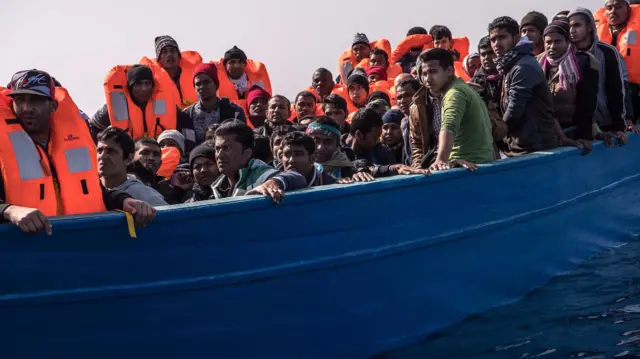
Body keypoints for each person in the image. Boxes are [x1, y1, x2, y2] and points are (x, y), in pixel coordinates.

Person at [0, 70, 155, 233]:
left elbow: (94, 190)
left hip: (81, 242)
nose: (26, 108)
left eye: (36, 100)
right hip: (29, 250)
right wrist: (10, 210)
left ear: (53, 105)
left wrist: (122, 200)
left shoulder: (75, 143)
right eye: (19, 100)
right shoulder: (3, 152)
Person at [489, 16, 559, 155]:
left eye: (502, 37)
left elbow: (514, 109)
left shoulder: (523, 66)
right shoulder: (509, 64)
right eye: (493, 40)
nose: (496, 44)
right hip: (521, 145)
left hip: (536, 147)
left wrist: (493, 136)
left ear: (515, 38)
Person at [417, 49, 495, 171]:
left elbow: (449, 126)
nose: (428, 79)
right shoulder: (463, 88)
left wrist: (441, 160)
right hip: (476, 164)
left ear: (449, 71)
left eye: (433, 72)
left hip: (467, 168)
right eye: (424, 74)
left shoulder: (455, 93)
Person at [569, 7, 631, 139]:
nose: (572, 30)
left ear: (590, 27)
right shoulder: (565, 54)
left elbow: (616, 90)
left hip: (605, 123)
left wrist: (619, 127)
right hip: (576, 126)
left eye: (577, 25)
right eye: (569, 26)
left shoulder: (607, 52)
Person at [539, 18, 599, 150]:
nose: (552, 46)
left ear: (567, 41)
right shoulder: (538, 63)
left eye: (557, 41)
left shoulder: (584, 62)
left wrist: (584, 136)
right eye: (548, 42)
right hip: (550, 132)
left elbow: (587, 103)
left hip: (576, 130)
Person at [211, 120, 306, 202]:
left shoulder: (260, 175)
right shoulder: (218, 184)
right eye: (217, 149)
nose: (219, 155)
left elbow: (297, 177)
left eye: (226, 148)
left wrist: (273, 182)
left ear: (247, 153)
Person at [91, 64, 180, 142]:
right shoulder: (114, 108)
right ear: (130, 87)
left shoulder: (168, 106)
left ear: (153, 86)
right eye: (138, 84)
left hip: (158, 155)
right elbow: (93, 126)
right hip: (127, 156)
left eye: (147, 83)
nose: (144, 88)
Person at [179, 62, 246, 151]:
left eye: (206, 82)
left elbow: (243, 142)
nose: (202, 87)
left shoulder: (235, 112)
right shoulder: (186, 115)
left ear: (216, 85)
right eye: (198, 84)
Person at [347, 108, 430, 177]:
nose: (378, 141)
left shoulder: (383, 153)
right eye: (375, 137)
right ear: (359, 135)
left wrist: (394, 168)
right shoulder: (337, 151)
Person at [97, 127, 169, 207]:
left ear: (128, 159)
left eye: (111, 151)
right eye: (99, 151)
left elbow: (170, 217)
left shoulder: (144, 196)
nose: (102, 156)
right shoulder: (87, 190)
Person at [597, 0, 640, 123]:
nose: (612, 11)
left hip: (634, 91)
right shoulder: (596, 31)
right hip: (606, 91)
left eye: (618, 7)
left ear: (628, 8)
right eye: (609, 8)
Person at [469, 36, 508, 158]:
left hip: (515, 134)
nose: (486, 58)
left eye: (490, 53)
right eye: (483, 54)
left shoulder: (509, 73)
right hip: (492, 139)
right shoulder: (475, 84)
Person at [140, 35, 203, 108]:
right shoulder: (152, 81)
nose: (169, 54)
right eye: (164, 52)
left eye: (172, 50)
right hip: (168, 118)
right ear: (159, 59)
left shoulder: (196, 75)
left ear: (179, 56)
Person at [215, 46, 272, 115]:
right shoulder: (215, 83)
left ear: (245, 64)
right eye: (232, 62)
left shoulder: (257, 82)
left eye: (240, 62)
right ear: (225, 65)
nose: (236, 65)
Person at [395, 77, 421, 165]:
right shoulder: (404, 123)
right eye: (399, 97)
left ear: (418, 94)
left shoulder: (428, 118)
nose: (402, 101)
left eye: (407, 95)